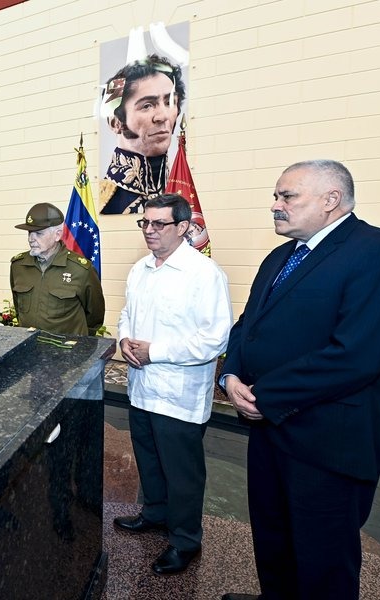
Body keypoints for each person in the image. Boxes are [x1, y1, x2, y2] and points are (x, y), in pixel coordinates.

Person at [220, 160, 380, 600]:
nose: (275, 206)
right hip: (270, 431)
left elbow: (357, 355)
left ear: (331, 200)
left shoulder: (378, 252)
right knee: (273, 545)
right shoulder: (281, 256)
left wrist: (266, 395)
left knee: (323, 561)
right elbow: (246, 326)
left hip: (329, 440)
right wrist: (231, 374)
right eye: (276, 196)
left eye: (287, 196)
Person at [113, 194, 232, 575]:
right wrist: (124, 341)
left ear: (183, 227)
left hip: (179, 396)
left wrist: (155, 351)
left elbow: (215, 339)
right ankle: (154, 514)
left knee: (182, 474)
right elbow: (126, 315)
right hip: (141, 388)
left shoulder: (204, 273)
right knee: (149, 461)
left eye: (158, 224)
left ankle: (184, 541)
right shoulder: (139, 270)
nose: (149, 230)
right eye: (144, 223)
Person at [99, 54, 185, 215]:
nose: (163, 116)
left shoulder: (182, 190)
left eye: (169, 102)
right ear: (115, 122)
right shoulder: (101, 201)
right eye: (147, 105)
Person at [10, 203, 105, 336]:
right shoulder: (18, 266)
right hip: (29, 346)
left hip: (67, 350)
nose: (31, 239)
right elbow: (19, 309)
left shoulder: (81, 269)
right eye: (30, 232)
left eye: (39, 233)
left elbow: (94, 317)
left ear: (57, 235)